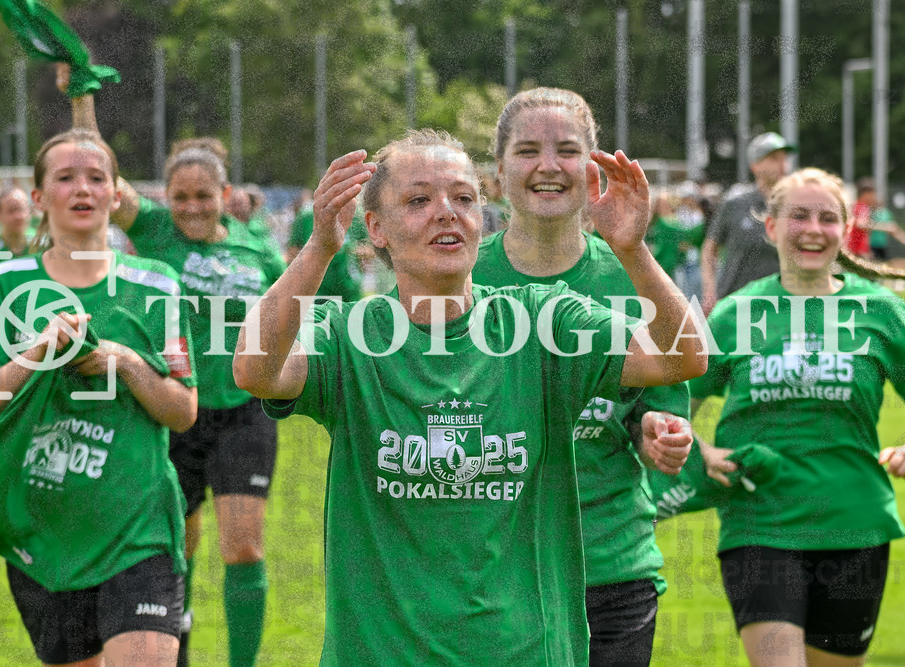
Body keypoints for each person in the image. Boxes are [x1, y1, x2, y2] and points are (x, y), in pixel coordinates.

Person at [232, 129, 708, 664]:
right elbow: (254, 369)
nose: (446, 213)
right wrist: (320, 247)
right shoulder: (350, 334)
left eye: (464, 198)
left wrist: (633, 251)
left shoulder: (540, 319)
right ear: (377, 229)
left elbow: (682, 357)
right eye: (418, 200)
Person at [60, 63, 285, 667]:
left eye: (202, 196)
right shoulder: (156, 232)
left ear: (224, 194)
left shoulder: (258, 248)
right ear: (168, 198)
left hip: (244, 413)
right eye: (180, 196)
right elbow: (97, 165)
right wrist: (83, 100)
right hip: (172, 411)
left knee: (243, 548)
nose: (190, 207)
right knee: (176, 554)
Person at [0, 126, 198, 666]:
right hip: (46, 537)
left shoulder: (156, 283)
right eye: (66, 178)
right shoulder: (8, 282)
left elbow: (183, 411)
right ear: (40, 198)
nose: (83, 189)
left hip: (140, 532)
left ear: (117, 195)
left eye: (97, 177)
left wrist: (129, 363)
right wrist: (35, 354)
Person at [472, 86, 693, 666]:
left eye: (567, 150)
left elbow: (668, 393)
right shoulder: (459, 275)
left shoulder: (633, 276)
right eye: (526, 151)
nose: (548, 166)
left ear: (593, 168)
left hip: (610, 566)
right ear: (497, 173)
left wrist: (658, 431)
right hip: (489, 572)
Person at [691, 168, 905, 666]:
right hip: (760, 521)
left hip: (855, 524)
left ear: (844, 230)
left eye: (827, 218)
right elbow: (673, 409)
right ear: (772, 226)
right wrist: (700, 451)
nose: (813, 229)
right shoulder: (734, 315)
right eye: (798, 216)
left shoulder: (881, 311)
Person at [701, 132, 796, 314]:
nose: (783, 165)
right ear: (756, 165)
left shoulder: (799, 208)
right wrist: (709, 291)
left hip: (782, 309)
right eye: (775, 158)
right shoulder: (735, 204)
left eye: (785, 158)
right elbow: (709, 248)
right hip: (734, 307)